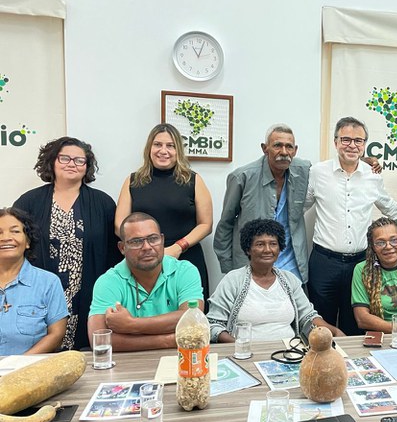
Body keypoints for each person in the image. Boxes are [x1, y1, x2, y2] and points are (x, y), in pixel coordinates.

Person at [13, 136, 120, 350]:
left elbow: (114, 252)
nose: (72, 164)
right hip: (42, 293)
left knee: (84, 352)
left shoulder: (103, 203)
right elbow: (16, 250)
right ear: (52, 161)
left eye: (79, 160)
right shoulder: (29, 202)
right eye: (65, 158)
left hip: (87, 290)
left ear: (87, 167)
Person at [305, 117, 397, 336]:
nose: (352, 145)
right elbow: (299, 208)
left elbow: (392, 209)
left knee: (355, 326)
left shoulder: (372, 177)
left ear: (365, 144)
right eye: (346, 139)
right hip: (324, 262)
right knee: (321, 326)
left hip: (360, 264)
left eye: (358, 141)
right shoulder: (318, 172)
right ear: (336, 142)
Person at [115, 124, 213, 306]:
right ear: (149, 148)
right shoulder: (133, 180)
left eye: (170, 145)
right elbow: (119, 224)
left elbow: (206, 224)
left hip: (185, 256)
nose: (163, 151)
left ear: (179, 150)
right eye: (157, 144)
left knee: (190, 322)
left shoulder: (193, 180)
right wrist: (146, 248)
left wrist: (178, 247)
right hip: (143, 259)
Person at [208, 219, 342, 343]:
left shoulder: (289, 280)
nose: (267, 250)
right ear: (248, 249)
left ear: (280, 248)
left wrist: (334, 331)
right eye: (260, 244)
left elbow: (308, 317)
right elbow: (214, 324)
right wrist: (241, 346)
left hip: (290, 352)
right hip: (246, 354)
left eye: (273, 244)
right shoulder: (233, 280)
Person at [88, 213, 204, 352]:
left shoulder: (184, 271)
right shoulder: (108, 281)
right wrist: (167, 341)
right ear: (122, 248)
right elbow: (99, 341)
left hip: (179, 362)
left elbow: (193, 320)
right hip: (127, 366)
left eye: (153, 239)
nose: (147, 247)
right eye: (136, 241)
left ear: (162, 240)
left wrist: (131, 325)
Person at [214, 123, 310, 282]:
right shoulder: (242, 177)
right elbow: (226, 223)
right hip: (252, 263)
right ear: (265, 148)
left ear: (295, 150)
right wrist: (229, 268)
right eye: (277, 146)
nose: (284, 152)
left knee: (293, 306)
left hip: (290, 262)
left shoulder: (304, 170)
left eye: (289, 147)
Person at [0, 207, 68, 355]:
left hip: (31, 371)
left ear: (28, 242)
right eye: (0, 232)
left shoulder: (48, 283)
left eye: (15, 231)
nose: (6, 237)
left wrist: (18, 364)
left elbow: (56, 335)